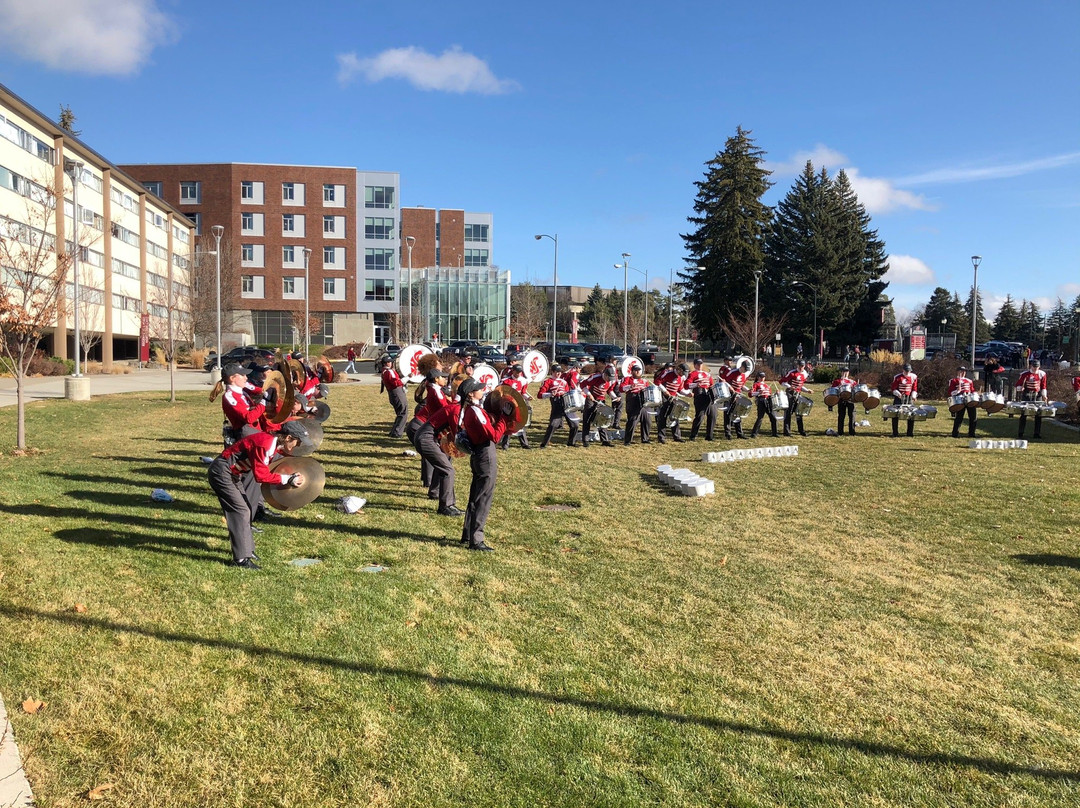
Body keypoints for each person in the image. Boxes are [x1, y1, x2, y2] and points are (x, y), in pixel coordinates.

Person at [207, 420, 310, 570]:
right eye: (297, 442)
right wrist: (287, 479)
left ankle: (247, 550)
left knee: (246, 508)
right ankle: (241, 559)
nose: (298, 446)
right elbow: (261, 476)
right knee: (241, 510)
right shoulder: (265, 443)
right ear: (288, 438)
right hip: (222, 473)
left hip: (232, 474)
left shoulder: (272, 444)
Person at [459, 378, 516, 551]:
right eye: (479, 389)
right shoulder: (474, 410)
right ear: (470, 393)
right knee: (483, 496)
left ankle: (468, 533)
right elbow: (494, 436)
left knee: (476, 494)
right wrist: (504, 419)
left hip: (479, 454)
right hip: (485, 454)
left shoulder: (471, 409)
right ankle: (476, 539)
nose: (482, 390)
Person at [414, 376, 463, 517]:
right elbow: (457, 433)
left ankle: (448, 503)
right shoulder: (455, 408)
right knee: (448, 470)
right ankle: (445, 506)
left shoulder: (457, 406)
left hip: (428, 437)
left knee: (445, 466)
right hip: (426, 438)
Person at [579, 360, 617, 448]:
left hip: (601, 401)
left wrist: (614, 397)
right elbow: (582, 385)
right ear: (605, 374)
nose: (609, 380)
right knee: (587, 419)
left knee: (602, 419)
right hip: (591, 399)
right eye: (608, 378)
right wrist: (589, 394)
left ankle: (605, 440)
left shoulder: (611, 381)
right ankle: (585, 440)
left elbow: (609, 390)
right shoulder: (595, 377)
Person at [538, 364, 574, 448]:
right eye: (557, 372)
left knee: (574, 424)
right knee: (553, 425)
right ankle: (544, 444)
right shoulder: (548, 381)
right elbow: (540, 395)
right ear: (552, 372)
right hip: (556, 402)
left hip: (566, 402)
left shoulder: (564, 382)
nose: (559, 374)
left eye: (560, 372)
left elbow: (567, 392)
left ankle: (571, 442)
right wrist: (550, 394)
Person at [497, 365, 532, 450]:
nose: (518, 374)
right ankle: (505, 444)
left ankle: (524, 443)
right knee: (508, 424)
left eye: (520, 372)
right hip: (508, 405)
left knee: (520, 423)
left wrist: (527, 397)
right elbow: (499, 391)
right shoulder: (506, 381)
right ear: (513, 371)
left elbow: (523, 392)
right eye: (517, 372)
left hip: (518, 405)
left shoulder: (522, 382)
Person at [654, 362, 689, 443]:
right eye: (682, 372)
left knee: (675, 416)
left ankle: (677, 436)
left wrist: (688, 393)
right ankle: (661, 437)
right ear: (679, 369)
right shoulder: (667, 373)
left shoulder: (681, 378)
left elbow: (680, 389)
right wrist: (665, 392)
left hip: (673, 398)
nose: (683, 375)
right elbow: (657, 382)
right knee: (663, 417)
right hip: (664, 397)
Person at [1015, 359, 1048, 439]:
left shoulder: (1042, 374)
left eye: (1037, 367)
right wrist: (1020, 388)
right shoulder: (1024, 374)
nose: (1035, 369)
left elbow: (1043, 386)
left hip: (1037, 395)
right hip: (1026, 395)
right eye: (1034, 367)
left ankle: (1037, 433)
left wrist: (1044, 395)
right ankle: (1021, 433)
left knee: (1039, 414)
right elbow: (1018, 385)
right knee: (1024, 413)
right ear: (1031, 366)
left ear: (1039, 367)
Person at [620, 363, 652, 444]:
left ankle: (645, 439)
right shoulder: (627, 379)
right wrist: (630, 386)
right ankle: (628, 440)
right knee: (633, 421)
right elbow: (621, 388)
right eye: (636, 370)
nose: (637, 372)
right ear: (632, 371)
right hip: (633, 400)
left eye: (639, 370)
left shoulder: (644, 381)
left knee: (647, 420)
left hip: (644, 401)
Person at [686, 358, 716, 441]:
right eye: (698, 364)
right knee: (700, 416)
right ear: (695, 365)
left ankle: (709, 436)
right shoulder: (692, 374)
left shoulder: (707, 374)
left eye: (701, 364)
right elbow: (687, 385)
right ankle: (693, 435)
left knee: (712, 415)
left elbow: (711, 384)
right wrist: (696, 384)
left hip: (709, 395)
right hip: (699, 395)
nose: (700, 366)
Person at [379, 353, 408, 438]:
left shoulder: (384, 371)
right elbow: (397, 382)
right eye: (390, 362)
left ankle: (394, 431)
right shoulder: (389, 371)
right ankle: (397, 432)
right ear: (387, 363)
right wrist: (407, 377)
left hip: (392, 393)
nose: (391, 363)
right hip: (397, 392)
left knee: (400, 413)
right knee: (403, 412)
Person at [780, 359, 811, 437]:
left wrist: (807, 391)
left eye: (802, 366)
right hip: (790, 394)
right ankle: (787, 431)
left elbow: (800, 386)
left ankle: (801, 430)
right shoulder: (792, 373)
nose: (801, 367)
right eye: (800, 366)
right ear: (797, 365)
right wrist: (790, 387)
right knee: (788, 412)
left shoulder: (805, 374)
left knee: (799, 412)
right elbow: (782, 381)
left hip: (797, 394)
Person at [889, 363, 919, 437]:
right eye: (906, 371)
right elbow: (893, 388)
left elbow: (914, 388)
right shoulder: (897, 377)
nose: (907, 372)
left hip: (909, 398)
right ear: (903, 370)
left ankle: (910, 433)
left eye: (909, 371)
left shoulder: (914, 377)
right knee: (895, 414)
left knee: (911, 414)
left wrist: (913, 395)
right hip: (899, 398)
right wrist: (898, 394)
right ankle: (895, 433)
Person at [722, 357, 749, 440]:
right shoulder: (733, 372)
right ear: (742, 367)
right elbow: (724, 382)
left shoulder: (744, 375)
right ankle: (728, 433)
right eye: (745, 369)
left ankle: (739, 433)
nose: (745, 371)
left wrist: (748, 390)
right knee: (728, 414)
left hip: (738, 395)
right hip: (729, 395)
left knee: (738, 413)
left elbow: (741, 386)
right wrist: (731, 389)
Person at [948, 366, 978, 438]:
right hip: (960, 399)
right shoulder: (953, 380)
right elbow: (950, 392)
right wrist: (957, 391)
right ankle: (955, 433)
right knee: (959, 417)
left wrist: (975, 394)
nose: (963, 373)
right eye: (961, 371)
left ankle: (972, 433)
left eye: (964, 371)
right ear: (957, 372)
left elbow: (972, 390)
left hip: (969, 399)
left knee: (973, 417)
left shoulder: (969, 381)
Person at [749, 371, 778, 438]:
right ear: (758, 377)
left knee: (773, 417)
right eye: (761, 377)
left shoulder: (766, 385)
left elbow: (769, 394)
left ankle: (774, 433)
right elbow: (750, 394)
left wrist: (776, 393)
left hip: (768, 401)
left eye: (763, 377)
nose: (762, 378)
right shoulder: (756, 384)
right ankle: (754, 433)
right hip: (761, 401)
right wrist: (758, 392)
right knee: (760, 418)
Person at [833, 367, 858, 435]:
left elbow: (856, 389)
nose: (845, 373)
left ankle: (852, 431)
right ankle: (840, 431)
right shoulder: (837, 381)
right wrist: (841, 380)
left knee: (852, 415)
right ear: (841, 372)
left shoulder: (852, 381)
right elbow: (833, 390)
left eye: (847, 371)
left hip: (850, 399)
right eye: (844, 371)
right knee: (841, 415)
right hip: (841, 399)